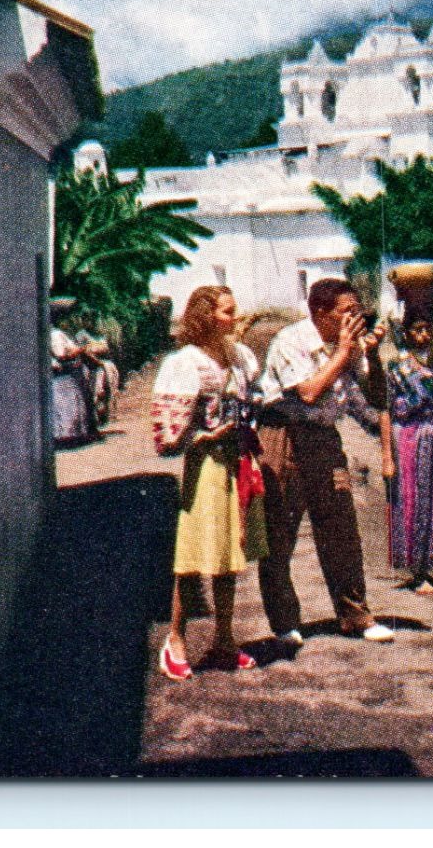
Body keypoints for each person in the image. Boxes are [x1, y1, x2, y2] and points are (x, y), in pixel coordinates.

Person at [255, 278, 397, 645]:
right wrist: (344, 353)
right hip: (283, 435)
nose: (355, 319)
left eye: (358, 311)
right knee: (279, 533)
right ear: (320, 311)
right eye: (346, 312)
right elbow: (308, 392)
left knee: (341, 529)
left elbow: (377, 401)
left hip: (323, 438)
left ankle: (355, 615)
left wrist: (373, 354)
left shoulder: (350, 346)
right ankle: (285, 622)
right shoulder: (291, 341)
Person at [150, 286, 268, 679]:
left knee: (228, 555)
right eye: (226, 312)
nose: (233, 318)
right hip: (205, 466)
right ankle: (176, 639)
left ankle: (224, 640)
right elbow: (168, 434)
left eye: (234, 311)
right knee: (193, 556)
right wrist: (205, 436)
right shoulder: (187, 362)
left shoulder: (237, 356)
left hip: (238, 460)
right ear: (206, 316)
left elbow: (257, 397)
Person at [380, 308, 433, 595]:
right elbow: (386, 411)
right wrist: (386, 454)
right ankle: (415, 569)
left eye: (427, 329)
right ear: (406, 333)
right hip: (407, 436)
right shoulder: (395, 367)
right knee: (409, 499)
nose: (423, 335)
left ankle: (427, 566)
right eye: (417, 330)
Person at [50, 298, 99, 448]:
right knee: (66, 406)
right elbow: (61, 355)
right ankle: (66, 438)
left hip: (68, 374)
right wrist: (81, 349)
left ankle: (70, 436)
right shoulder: (56, 334)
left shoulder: (58, 333)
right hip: (64, 374)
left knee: (71, 405)